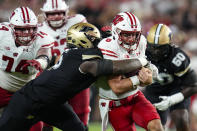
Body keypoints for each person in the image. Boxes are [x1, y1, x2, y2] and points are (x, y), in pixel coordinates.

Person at [0, 22, 150, 131]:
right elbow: (114, 66)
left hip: (53, 104)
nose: (97, 42)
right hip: (30, 101)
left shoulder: (73, 54)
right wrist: (143, 60)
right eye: (94, 39)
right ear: (82, 39)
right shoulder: (83, 58)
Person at [96, 12, 164, 131]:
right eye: (127, 35)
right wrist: (139, 78)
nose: (131, 39)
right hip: (114, 104)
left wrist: (147, 78)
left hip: (135, 97)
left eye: (134, 35)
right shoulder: (107, 46)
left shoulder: (141, 41)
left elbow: (144, 79)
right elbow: (117, 87)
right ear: (116, 32)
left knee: (156, 127)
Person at [0, 6, 54, 131]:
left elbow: (44, 53)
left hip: (28, 90)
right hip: (2, 86)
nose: (26, 34)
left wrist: (40, 62)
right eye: (21, 29)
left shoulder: (43, 37)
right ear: (11, 27)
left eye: (30, 29)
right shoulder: (2, 33)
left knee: (36, 126)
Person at [38, 0, 89, 130]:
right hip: (50, 77)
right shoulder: (38, 29)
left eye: (59, 13)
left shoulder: (77, 21)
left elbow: (88, 44)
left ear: (66, 12)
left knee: (81, 112)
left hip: (74, 74)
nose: (55, 17)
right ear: (45, 14)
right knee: (46, 113)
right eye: (51, 14)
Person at [144, 23, 197, 131]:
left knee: (180, 117)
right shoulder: (142, 53)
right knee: (154, 126)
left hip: (175, 89)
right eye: (152, 47)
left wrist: (172, 100)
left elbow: (194, 85)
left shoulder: (177, 58)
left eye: (159, 48)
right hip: (153, 91)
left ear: (168, 44)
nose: (154, 51)